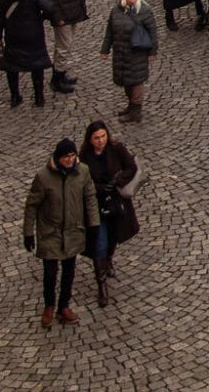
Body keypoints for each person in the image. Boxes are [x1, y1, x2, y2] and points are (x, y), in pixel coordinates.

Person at [24, 137, 97, 328]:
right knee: (50, 273)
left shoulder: (83, 172)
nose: (70, 160)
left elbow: (89, 198)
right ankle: (49, 305)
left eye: (72, 156)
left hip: (73, 230)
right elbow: (32, 205)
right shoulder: (43, 177)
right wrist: (28, 232)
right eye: (66, 157)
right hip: (51, 232)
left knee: (69, 271)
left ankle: (64, 305)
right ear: (58, 157)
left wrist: (94, 225)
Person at [79, 120, 138, 307]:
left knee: (112, 239)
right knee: (99, 243)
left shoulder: (116, 149)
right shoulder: (85, 156)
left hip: (115, 205)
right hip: (96, 206)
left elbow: (131, 167)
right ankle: (101, 285)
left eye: (103, 136)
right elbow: (82, 180)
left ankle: (109, 260)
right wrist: (100, 188)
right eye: (96, 138)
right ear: (90, 139)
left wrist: (118, 179)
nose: (100, 141)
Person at [0, 0, 58, 107]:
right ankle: (39, 97)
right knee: (36, 66)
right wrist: (42, 18)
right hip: (34, 36)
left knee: (12, 67)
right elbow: (50, 8)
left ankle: (15, 96)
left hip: (13, 37)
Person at [100, 0, 155, 123]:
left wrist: (152, 52)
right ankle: (131, 106)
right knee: (126, 82)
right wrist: (105, 49)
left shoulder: (145, 11)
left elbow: (153, 33)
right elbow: (110, 32)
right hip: (121, 53)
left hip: (137, 53)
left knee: (136, 82)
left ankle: (136, 111)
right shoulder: (115, 11)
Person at [41, 0, 87, 95]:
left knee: (65, 46)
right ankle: (57, 80)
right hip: (62, 15)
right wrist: (56, 17)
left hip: (73, 11)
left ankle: (60, 74)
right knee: (63, 48)